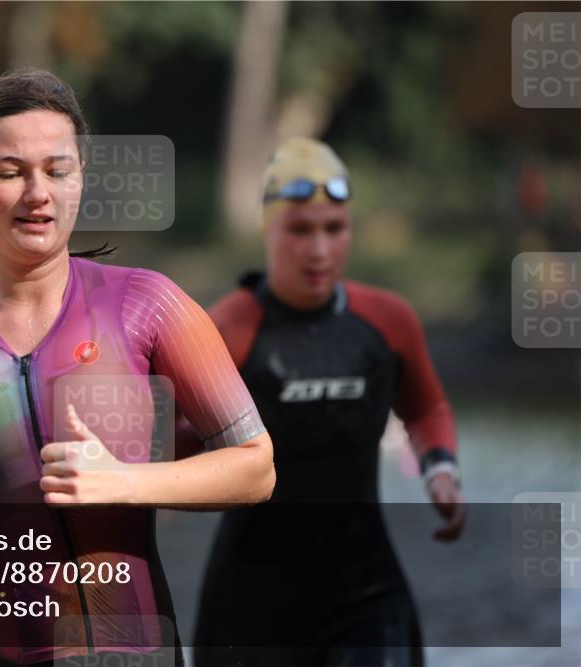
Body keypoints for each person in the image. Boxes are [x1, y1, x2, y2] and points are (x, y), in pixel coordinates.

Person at [0, 69, 275, 667]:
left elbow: (256, 468)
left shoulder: (148, 306)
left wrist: (124, 481)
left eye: (58, 170)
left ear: (80, 178)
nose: (38, 193)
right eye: (10, 172)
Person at [191, 137, 466, 666]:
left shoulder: (388, 321)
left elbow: (426, 406)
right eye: (299, 230)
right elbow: (173, 443)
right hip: (252, 602)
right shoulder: (228, 327)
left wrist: (441, 468)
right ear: (269, 229)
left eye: (334, 229)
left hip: (365, 593)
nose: (318, 250)